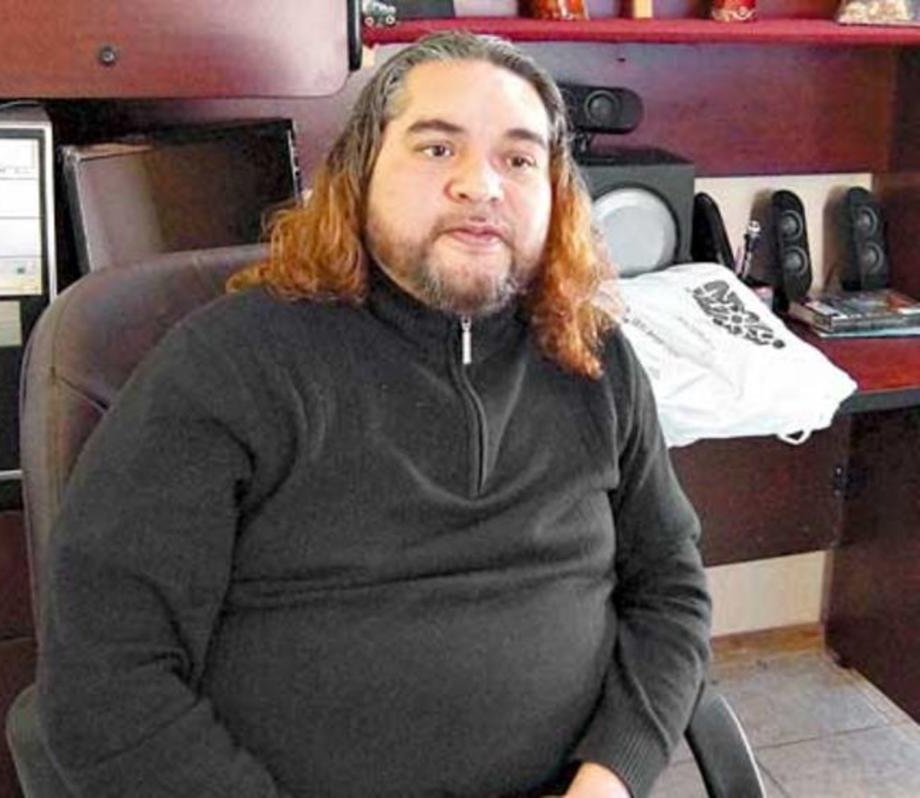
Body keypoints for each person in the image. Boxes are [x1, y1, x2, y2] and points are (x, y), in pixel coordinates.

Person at [38, 31, 711, 798]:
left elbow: (671, 590)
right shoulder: (229, 367)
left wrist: (611, 776)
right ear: (360, 172)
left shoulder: (592, 358)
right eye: (436, 148)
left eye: (519, 159)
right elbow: (103, 677)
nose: (481, 185)